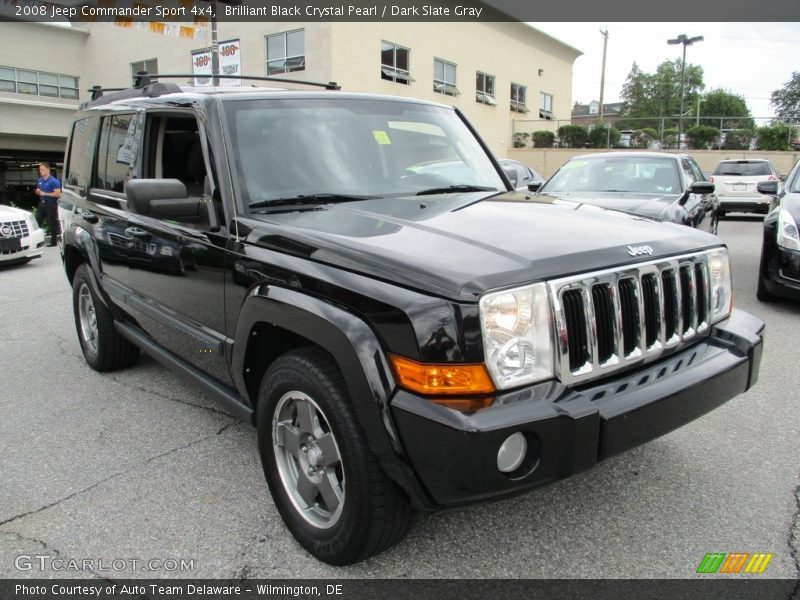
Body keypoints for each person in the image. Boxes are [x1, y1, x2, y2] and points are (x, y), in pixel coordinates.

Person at [35, 162, 61, 246]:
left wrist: (45, 194)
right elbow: (38, 191)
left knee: (52, 223)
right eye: (40, 170)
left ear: (47, 170)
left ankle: (53, 242)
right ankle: (37, 241)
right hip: (42, 204)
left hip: (51, 204)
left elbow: (58, 194)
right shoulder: (40, 180)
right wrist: (37, 192)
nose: (41, 171)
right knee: (36, 220)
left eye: (42, 170)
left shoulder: (54, 181)